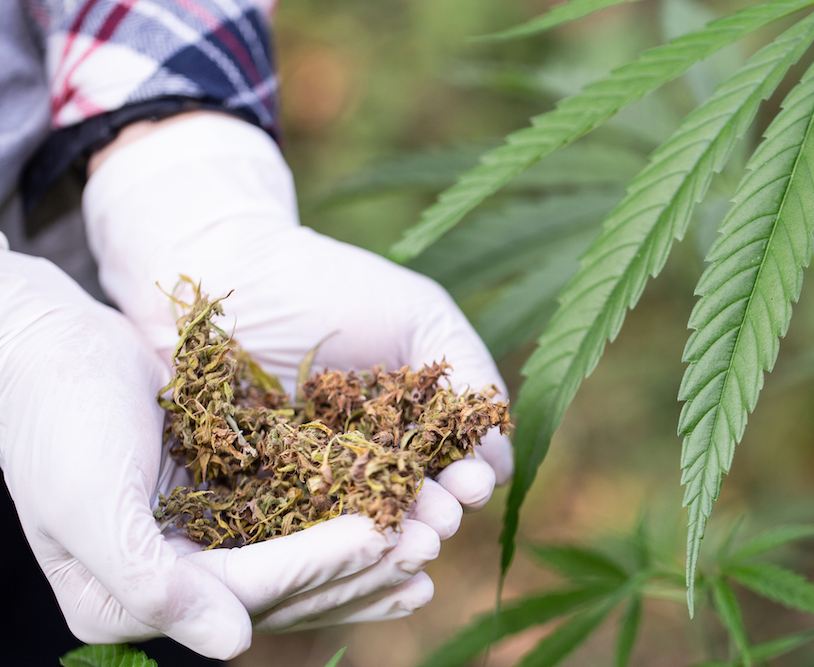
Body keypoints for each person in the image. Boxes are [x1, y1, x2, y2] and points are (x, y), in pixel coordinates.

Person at [0, 1, 513, 663]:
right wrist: (14, 328)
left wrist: (179, 168)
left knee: (157, 590)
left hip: (113, 418)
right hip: (57, 385)